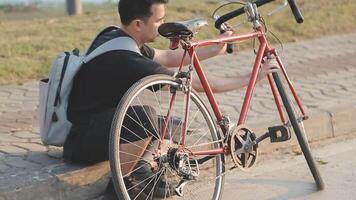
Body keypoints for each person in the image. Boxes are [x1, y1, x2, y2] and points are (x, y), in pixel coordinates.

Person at [63, 0, 279, 199]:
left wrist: (214, 48)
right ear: (138, 24)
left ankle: (142, 172)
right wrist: (255, 76)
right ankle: (120, 188)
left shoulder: (117, 37)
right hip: (82, 141)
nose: (163, 24)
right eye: (159, 21)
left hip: (102, 126)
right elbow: (202, 86)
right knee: (144, 117)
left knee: (174, 128)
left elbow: (166, 57)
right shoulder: (126, 59)